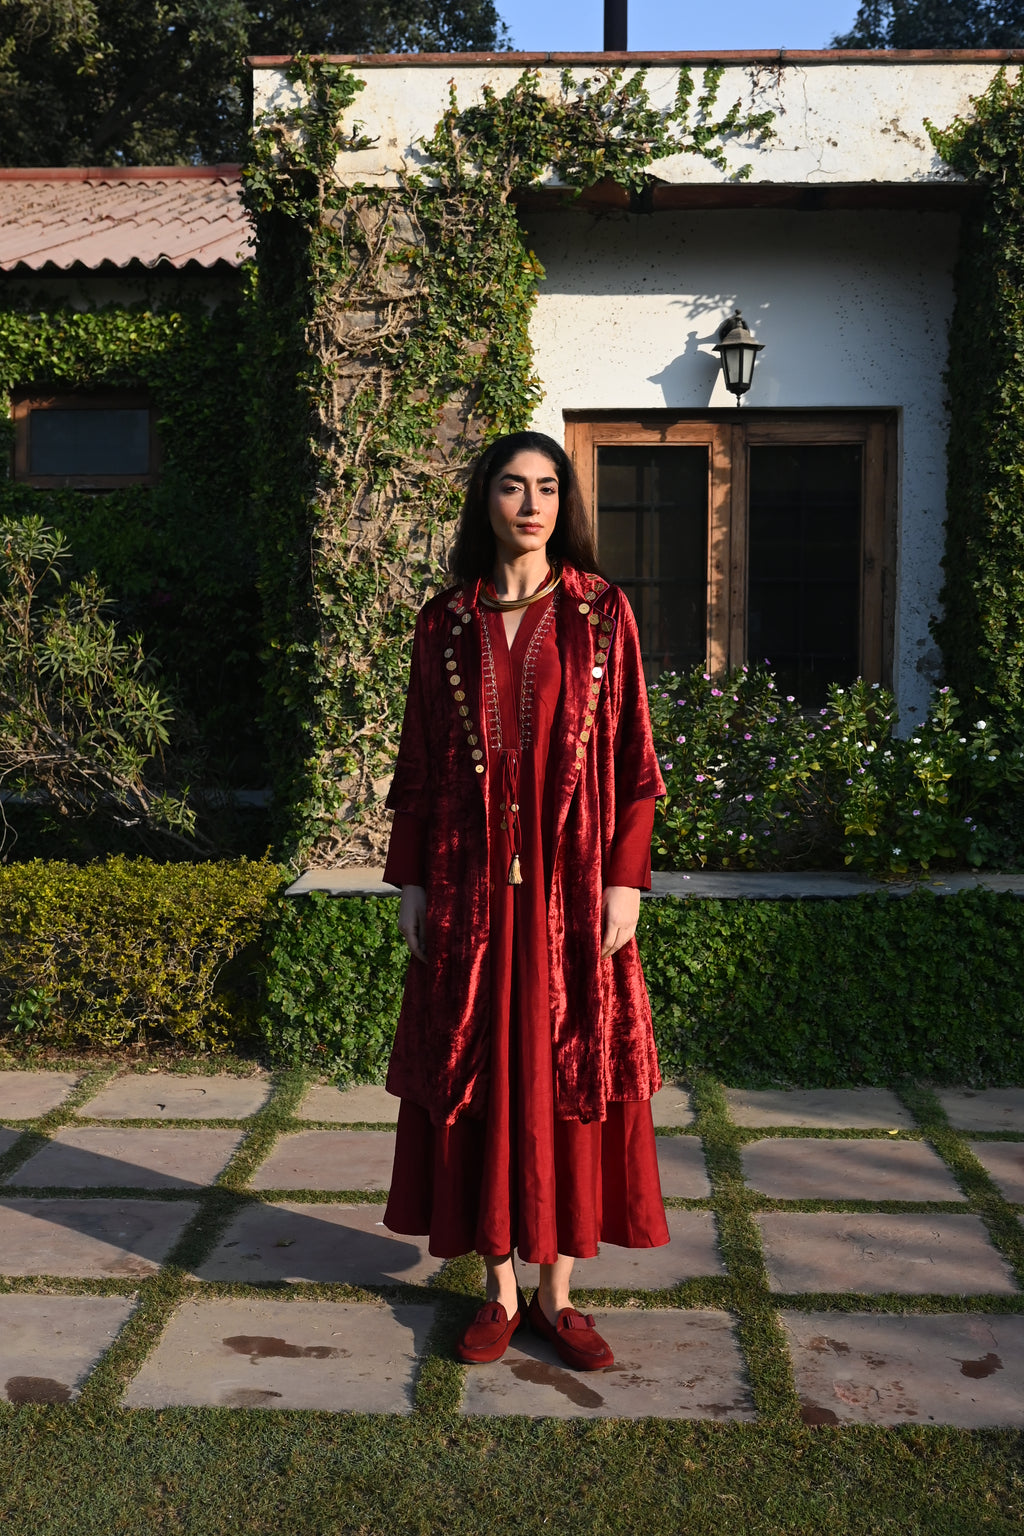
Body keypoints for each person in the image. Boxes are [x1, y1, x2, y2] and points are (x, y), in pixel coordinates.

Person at [381, 430, 669, 1372]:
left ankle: (560, 1296)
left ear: (564, 504)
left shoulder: (599, 611)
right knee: (481, 1071)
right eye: (514, 487)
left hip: (575, 894)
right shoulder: (444, 624)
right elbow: (418, 767)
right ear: (486, 501)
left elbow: (634, 762)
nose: (532, 505)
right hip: (469, 898)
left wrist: (625, 877)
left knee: (568, 1067)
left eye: (548, 488)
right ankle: (500, 1290)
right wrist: (414, 881)